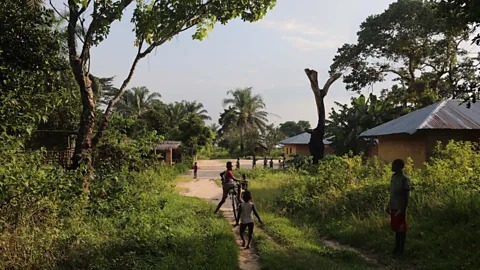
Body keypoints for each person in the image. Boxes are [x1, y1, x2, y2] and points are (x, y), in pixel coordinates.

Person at [386, 159, 410, 256]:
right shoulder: (394, 177)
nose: (392, 167)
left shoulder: (405, 179)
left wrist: (403, 209)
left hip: (400, 207)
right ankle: (396, 248)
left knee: (401, 228)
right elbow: (392, 194)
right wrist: (389, 206)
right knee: (396, 228)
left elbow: (406, 195)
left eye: (394, 165)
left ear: (399, 167)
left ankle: (401, 249)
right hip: (394, 206)